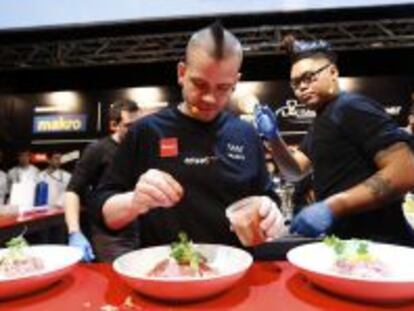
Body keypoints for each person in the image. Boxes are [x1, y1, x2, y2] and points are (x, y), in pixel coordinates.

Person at [91, 22, 285, 250]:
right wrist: (135, 201)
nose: (210, 98)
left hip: (235, 271)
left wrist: (270, 212)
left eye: (222, 87)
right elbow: (103, 212)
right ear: (182, 73)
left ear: (235, 82)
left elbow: (268, 199)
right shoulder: (146, 131)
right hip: (165, 274)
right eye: (200, 84)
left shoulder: (246, 133)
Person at [254, 36, 414, 244]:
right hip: (349, 244)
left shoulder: (352, 108)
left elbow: (405, 171)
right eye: (295, 83)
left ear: (333, 72)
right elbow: (295, 171)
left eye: (309, 77)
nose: (301, 87)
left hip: (383, 243)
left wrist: (332, 206)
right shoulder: (324, 119)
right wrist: (274, 138)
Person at [65, 99, 141, 262]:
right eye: (129, 125)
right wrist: (74, 232)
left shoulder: (141, 149)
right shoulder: (98, 149)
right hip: (110, 236)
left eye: (138, 124)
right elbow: (73, 191)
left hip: (141, 228)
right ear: (114, 125)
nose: (135, 130)